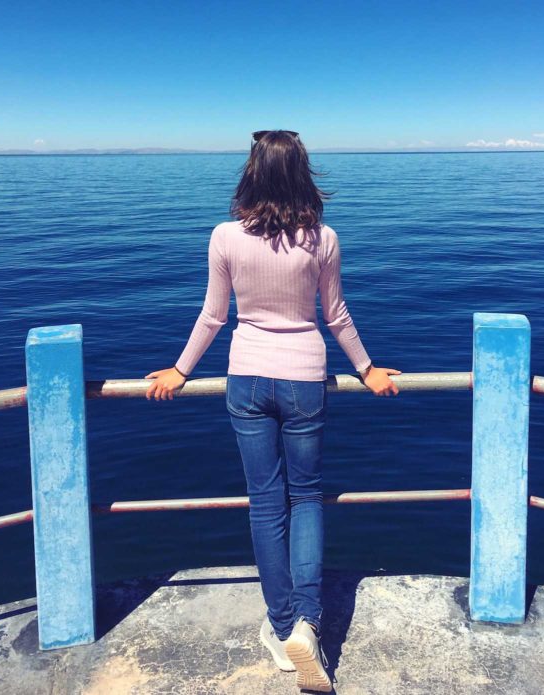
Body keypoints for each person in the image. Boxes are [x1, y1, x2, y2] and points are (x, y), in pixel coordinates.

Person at [144, 130, 400, 692]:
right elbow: (336, 315)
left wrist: (180, 370)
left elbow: (213, 316)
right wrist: (368, 369)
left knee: (266, 502)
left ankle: (282, 623)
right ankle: (306, 622)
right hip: (305, 377)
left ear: (251, 172)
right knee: (306, 496)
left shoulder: (224, 236)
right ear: (303, 173)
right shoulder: (323, 239)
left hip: (247, 378)